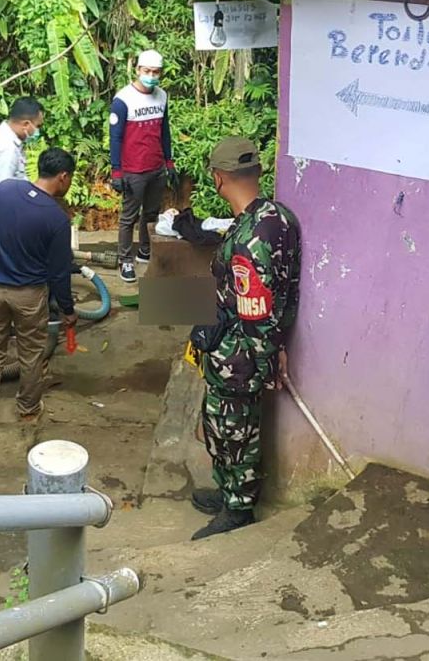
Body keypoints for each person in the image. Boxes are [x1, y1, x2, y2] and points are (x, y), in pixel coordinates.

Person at [190, 136, 301, 541]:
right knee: (225, 425)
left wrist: (262, 360)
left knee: (233, 430)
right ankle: (227, 493)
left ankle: (238, 509)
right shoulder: (279, 217)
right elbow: (284, 293)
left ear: (219, 179)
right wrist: (279, 345)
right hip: (247, 345)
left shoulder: (247, 241)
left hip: (237, 356)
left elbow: (255, 310)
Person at [0, 148, 77, 424]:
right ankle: (28, 410)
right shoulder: (57, 219)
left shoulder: (5, 190)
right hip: (29, 294)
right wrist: (68, 310)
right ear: (63, 177)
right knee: (31, 354)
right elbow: (59, 274)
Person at [110, 49, 175, 284]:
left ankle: (145, 251)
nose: (151, 76)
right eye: (147, 71)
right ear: (138, 70)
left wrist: (169, 162)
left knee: (151, 213)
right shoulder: (123, 100)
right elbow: (115, 137)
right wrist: (116, 171)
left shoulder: (162, 96)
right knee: (129, 217)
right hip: (133, 170)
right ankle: (125, 260)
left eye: (156, 72)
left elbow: (164, 131)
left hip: (156, 167)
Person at [0, 97, 45, 194]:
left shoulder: (5, 136)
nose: (37, 131)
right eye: (38, 126)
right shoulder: (6, 148)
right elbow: (3, 193)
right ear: (26, 124)